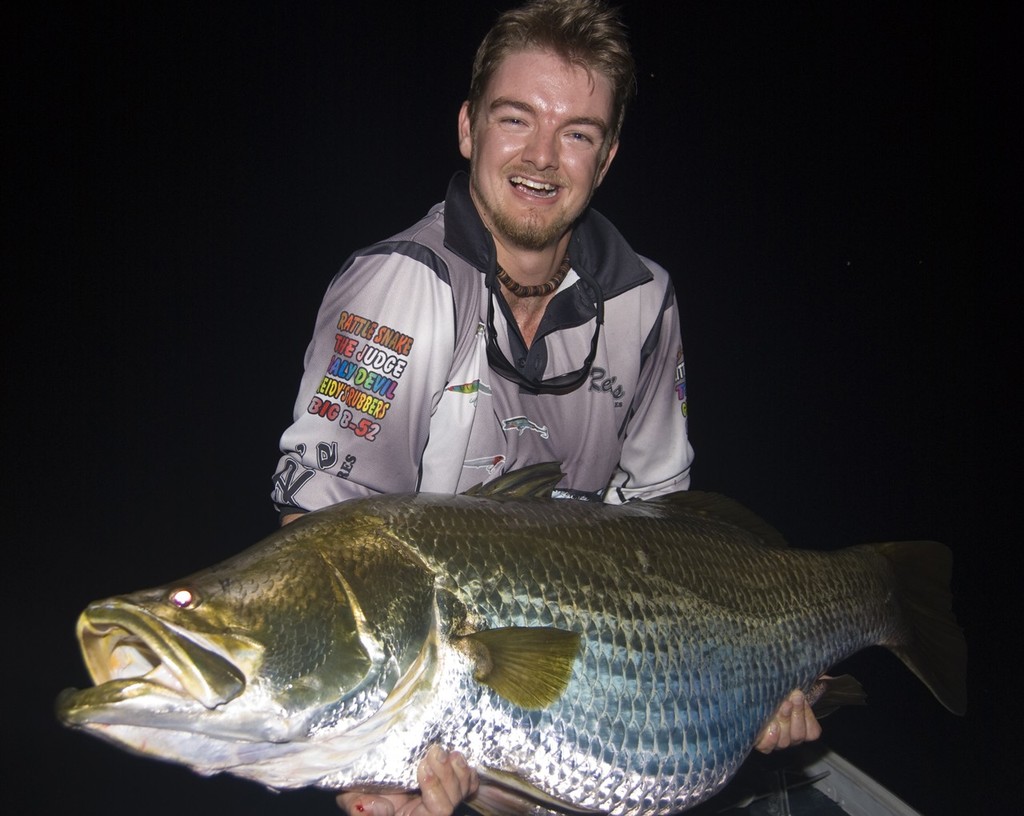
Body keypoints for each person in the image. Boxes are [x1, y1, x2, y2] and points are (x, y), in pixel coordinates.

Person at [271, 2, 821, 814]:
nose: (540, 157)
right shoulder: (399, 292)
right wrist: (363, 761)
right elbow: (321, 536)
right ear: (467, 129)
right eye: (514, 119)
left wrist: (748, 672)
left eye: (577, 133)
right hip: (443, 676)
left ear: (606, 158)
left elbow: (664, 522)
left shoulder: (646, 299)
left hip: (597, 661)